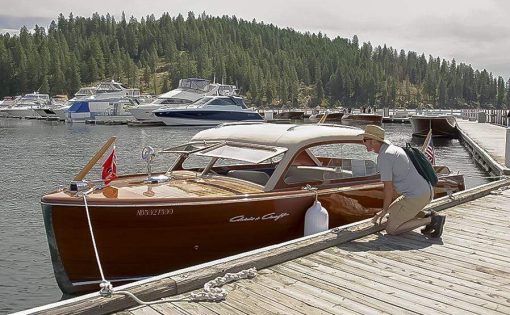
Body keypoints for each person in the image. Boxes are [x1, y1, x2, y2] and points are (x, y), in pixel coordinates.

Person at [361, 125, 446, 237]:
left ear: (373, 142)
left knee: (391, 229)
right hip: (423, 191)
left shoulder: (384, 157)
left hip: (416, 196)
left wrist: (384, 209)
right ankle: (427, 215)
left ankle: (432, 220)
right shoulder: (393, 149)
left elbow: (388, 188)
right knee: (390, 215)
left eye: (364, 140)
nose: (363, 143)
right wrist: (387, 210)